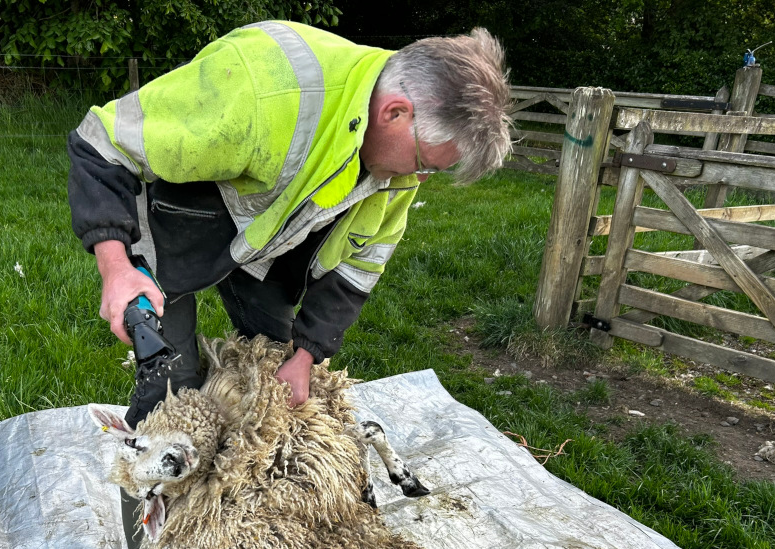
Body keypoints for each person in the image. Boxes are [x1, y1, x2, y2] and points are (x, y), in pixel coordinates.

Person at [67, 20, 512, 428]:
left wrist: (307, 354)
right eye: (421, 163)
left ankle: (238, 487)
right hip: (177, 216)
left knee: (273, 367)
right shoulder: (262, 89)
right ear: (394, 113)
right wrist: (116, 267)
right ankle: (152, 496)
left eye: (429, 170)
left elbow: (358, 269)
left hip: (266, 242)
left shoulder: (397, 174)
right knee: (172, 389)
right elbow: (102, 143)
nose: (417, 179)